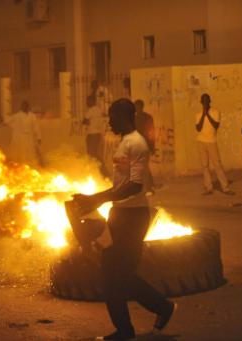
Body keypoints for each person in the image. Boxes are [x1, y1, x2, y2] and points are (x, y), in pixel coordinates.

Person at [72, 99, 176, 341]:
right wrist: (94, 198)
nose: (108, 121)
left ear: (124, 116)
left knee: (116, 272)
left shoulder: (136, 144)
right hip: (119, 214)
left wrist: (98, 198)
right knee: (117, 273)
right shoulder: (124, 143)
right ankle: (156, 312)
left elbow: (135, 186)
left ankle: (134, 324)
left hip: (133, 216)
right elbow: (121, 184)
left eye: (112, 116)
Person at [195, 93, 234, 195]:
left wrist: (207, 114)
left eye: (207, 100)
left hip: (212, 141)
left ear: (210, 101)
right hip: (201, 141)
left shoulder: (215, 112)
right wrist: (203, 115)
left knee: (217, 164)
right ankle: (208, 187)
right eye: (203, 101)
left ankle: (225, 187)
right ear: (201, 102)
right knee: (205, 166)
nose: (205, 102)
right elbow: (198, 128)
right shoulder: (198, 114)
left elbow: (216, 125)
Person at [4, 100, 42, 165]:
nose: (25, 107)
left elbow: (36, 127)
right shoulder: (17, 115)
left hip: (30, 137)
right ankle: (22, 166)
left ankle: (30, 165)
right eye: (23, 106)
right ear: (21, 107)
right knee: (21, 152)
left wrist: (39, 137)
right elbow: (8, 121)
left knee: (30, 152)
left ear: (28, 106)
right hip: (20, 137)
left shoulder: (32, 116)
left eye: (26, 106)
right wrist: (3, 122)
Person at [83, 95, 108, 177]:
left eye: (88, 100)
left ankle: (103, 171)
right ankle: (100, 171)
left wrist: (86, 122)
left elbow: (85, 120)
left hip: (92, 134)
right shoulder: (98, 110)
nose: (86, 102)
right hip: (97, 134)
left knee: (92, 153)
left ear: (92, 101)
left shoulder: (91, 110)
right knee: (93, 154)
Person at [134, 99, 156, 193]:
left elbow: (151, 133)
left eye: (137, 106)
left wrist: (152, 146)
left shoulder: (146, 118)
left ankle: (149, 186)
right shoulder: (134, 118)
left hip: (144, 145)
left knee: (143, 166)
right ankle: (149, 185)